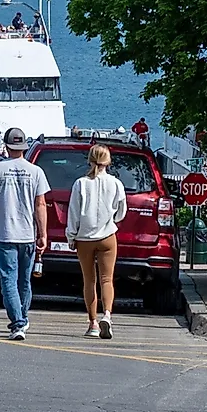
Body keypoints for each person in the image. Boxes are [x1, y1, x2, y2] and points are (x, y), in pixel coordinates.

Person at [0, 127, 48, 340]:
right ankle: (23, 318)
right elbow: (41, 204)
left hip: (4, 233)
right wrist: (43, 233)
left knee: (8, 279)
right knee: (24, 280)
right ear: (24, 147)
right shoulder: (35, 171)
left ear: (6, 146)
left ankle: (18, 323)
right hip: (27, 233)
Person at [68, 143, 129, 339]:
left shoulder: (81, 183)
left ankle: (93, 323)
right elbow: (121, 211)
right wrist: (112, 219)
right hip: (107, 236)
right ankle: (108, 315)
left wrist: (71, 236)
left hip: (85, 238)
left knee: (89, 280)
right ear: (108, 161)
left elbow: (74, 214)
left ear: (90, 159)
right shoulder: (115, 183)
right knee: (107, 279)